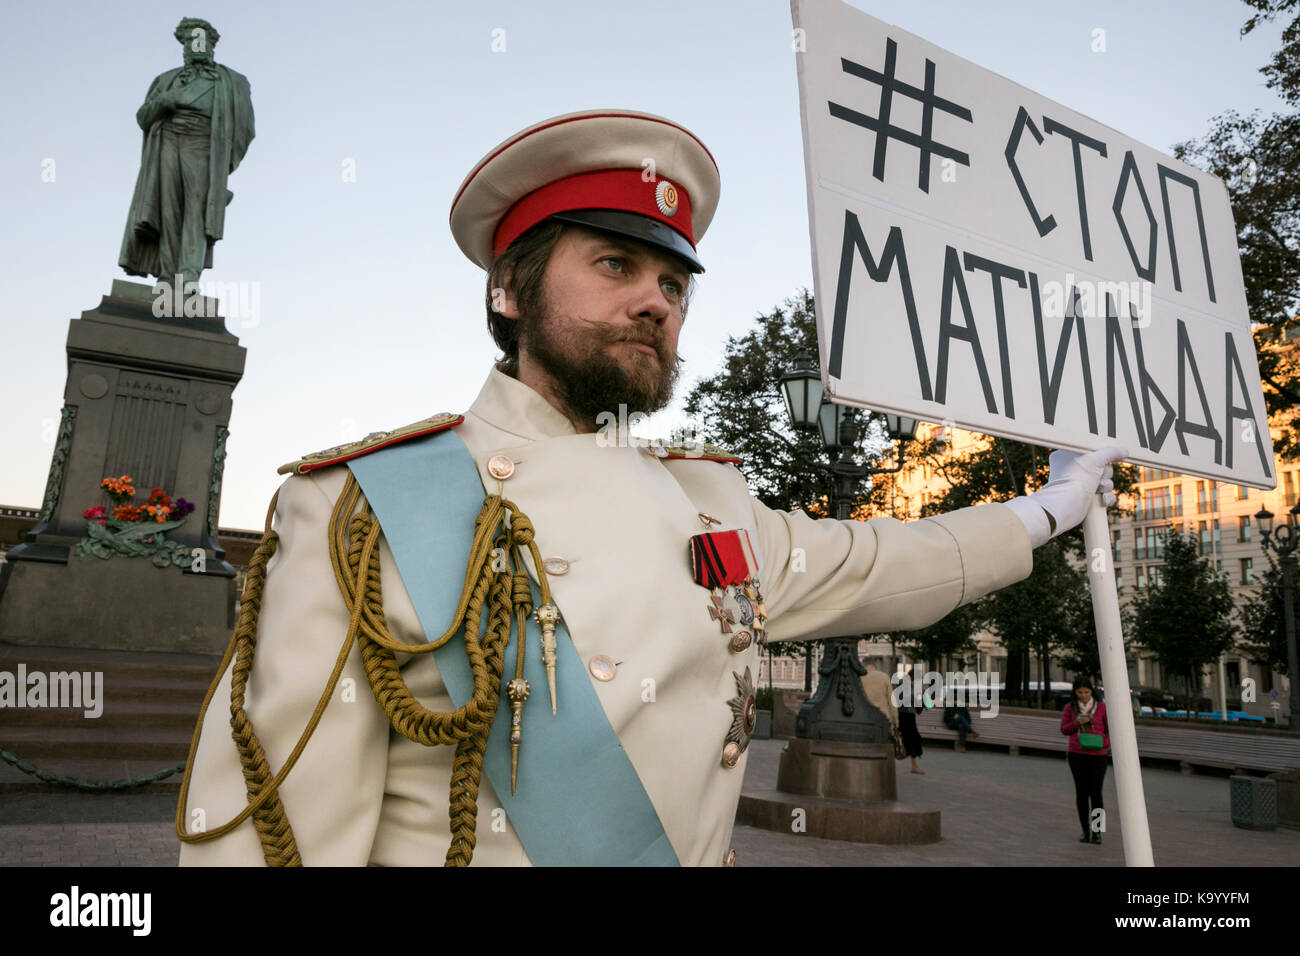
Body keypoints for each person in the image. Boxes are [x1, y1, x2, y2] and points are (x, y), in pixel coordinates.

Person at [175, 108, 1123, 867]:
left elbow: (877, 562)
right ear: (509, 289)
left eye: (674, 283)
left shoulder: (706, 499)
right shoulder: (362, 507)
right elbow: (279, 836)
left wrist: (1052, 506)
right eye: (617, 265)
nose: (656, 303)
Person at [119, 17, 255, 290]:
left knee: (196, 207)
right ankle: (168, 277)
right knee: (169, 209)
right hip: (168, 141)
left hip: (204, 145)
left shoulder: (233, 81)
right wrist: (165, 101)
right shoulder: (166, 80)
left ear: (211, 45)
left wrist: (223, 170)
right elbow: (143, 117)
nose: (197, 45)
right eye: (192, 40)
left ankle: (188, 275)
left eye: (202, 39)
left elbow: (245, 128)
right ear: (184, 46)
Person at [1061, 675, 1110, 844]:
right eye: (1080, 692)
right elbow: (1064, 729)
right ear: (1075, 692)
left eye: (1086, 692)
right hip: (1077, 754)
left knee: (1096, 794)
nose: (1083, 696)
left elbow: (1111, 730)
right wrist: (1076, 722)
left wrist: (1104, 743)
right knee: (1081, 794)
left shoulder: (1102, 708)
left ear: (1092, 691)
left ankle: (1098, 832)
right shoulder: (1070, 708)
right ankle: (1085, 830)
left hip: (1098, 756)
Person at [896, 670, 926, 773]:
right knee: (911, 740)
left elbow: (919, 708)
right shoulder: (902, 685)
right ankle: (914, 766)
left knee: (913, 740)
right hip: (902, 716)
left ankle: (914, 765)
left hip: (910, 717)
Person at [859, 659, 898, 736]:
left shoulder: (859, 677)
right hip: (883, 717)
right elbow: (892, 701)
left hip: (865, 717)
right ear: (875, 665)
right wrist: (895, 720)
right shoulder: (884, 677)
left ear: (863, 665)